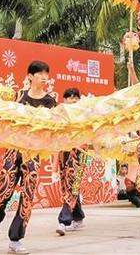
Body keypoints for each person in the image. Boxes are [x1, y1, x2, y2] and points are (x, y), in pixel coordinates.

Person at [0, 60, 57, 254]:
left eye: (46, 74)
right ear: (30, 76)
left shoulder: (50, 102)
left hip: (33, 155)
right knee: (4, 192)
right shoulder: (17, 96)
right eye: (40, 73)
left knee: (27, 197)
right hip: (13, 150)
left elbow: (53, 129)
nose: (44, 77)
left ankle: (15, 240)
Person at [56, 88, 87, 236]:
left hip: (80, 152)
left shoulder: (84, 114)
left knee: (72, 184)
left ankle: (64, 221)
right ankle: (78, 216)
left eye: (76, 97)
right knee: (67, 185)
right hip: (64, 153)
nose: (73, 100)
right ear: (64, 100)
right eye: (69, 97)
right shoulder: (60, 115)